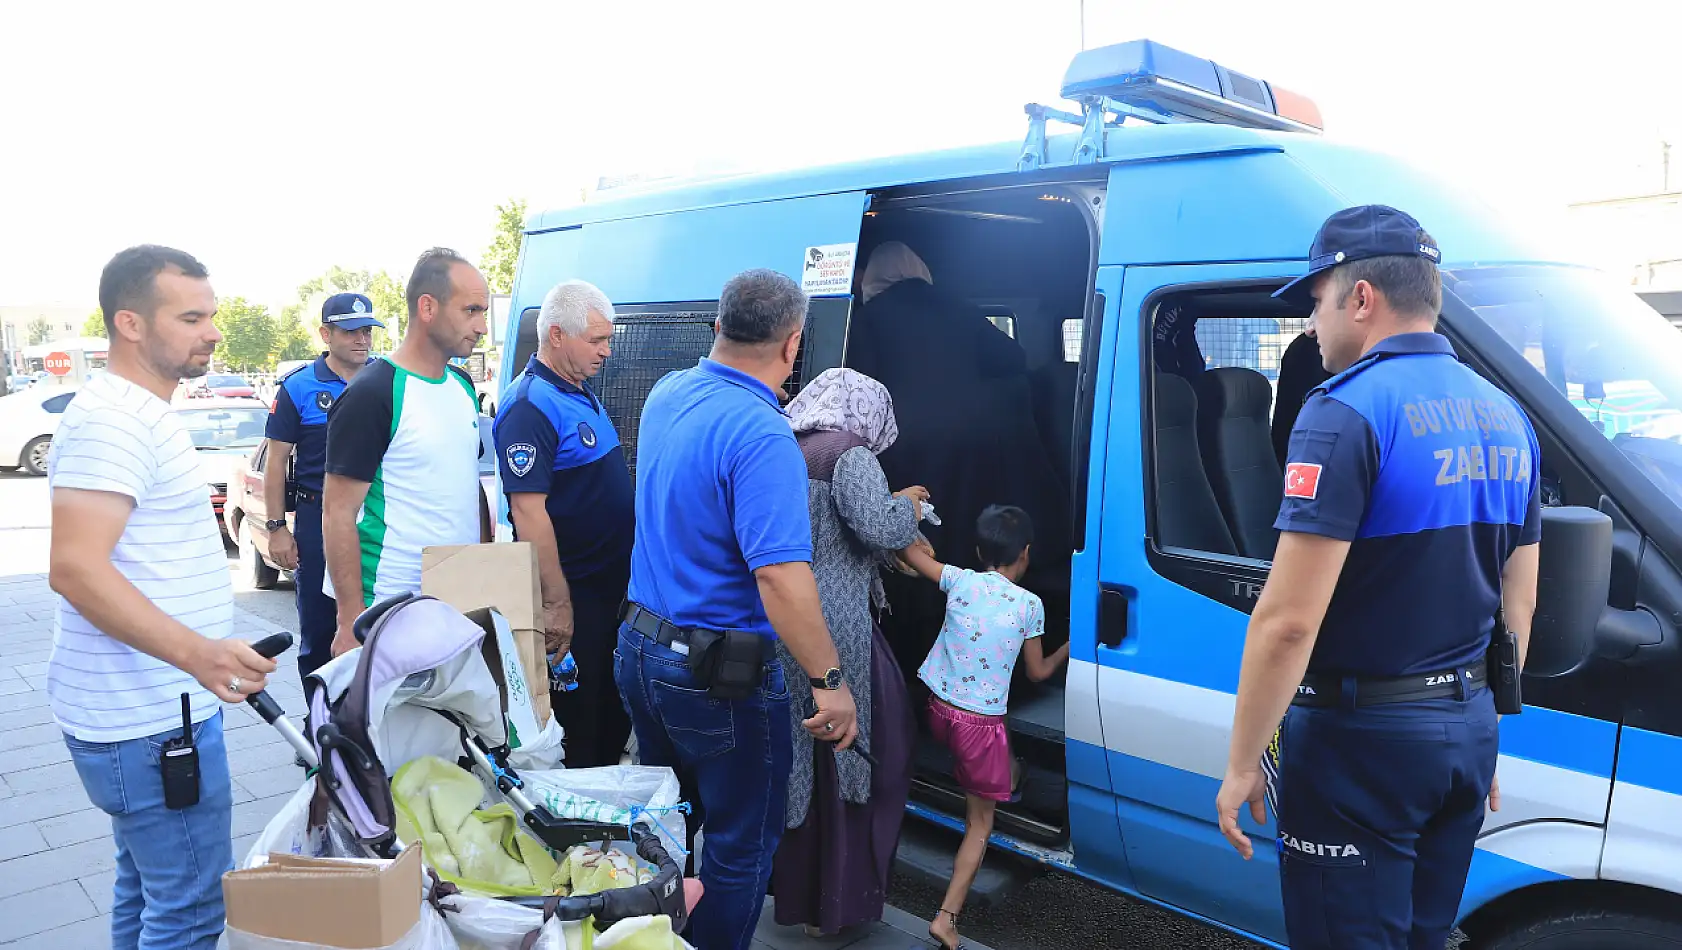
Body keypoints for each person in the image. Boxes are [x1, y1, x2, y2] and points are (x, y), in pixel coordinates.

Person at [1214, 205, 1541, 950]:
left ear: (1361, 298)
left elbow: (1287, 620)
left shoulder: (1343, 413)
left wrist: (1241, 761)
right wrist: (1479, 727)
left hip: (1361, 745)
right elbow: (1517, 600)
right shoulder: (1506, 415)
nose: (1310, 323)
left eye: (1315, 300)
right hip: (1466, 729)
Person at [617, 268, 859, 950]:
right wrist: (830, 684)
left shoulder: (668, 393)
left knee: (672, 824)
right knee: (738, 843)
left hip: (641, 651)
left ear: (719, 326)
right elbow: (781, 578)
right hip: (716, 675)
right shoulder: (763, 434)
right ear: (793, 345)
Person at [47, 245, 278, 950]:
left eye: (211, 315)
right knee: (190, 912)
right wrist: (200, 655)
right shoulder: (112, 422)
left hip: (152, 712)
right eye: (191, 317)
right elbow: (76, 570)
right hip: (148, 721)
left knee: (146, 892)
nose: (212, 332)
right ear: (132, 324)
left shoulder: (141, 412)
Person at [769, 368, 926, 936]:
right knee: (862, 749)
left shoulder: (788, 445)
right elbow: (878, 529)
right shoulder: (849, 454)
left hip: (790, 617)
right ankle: (835, 904)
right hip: (838, 628)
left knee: (803, 756)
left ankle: (799, 900)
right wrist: (907, 505)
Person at [897, 504, 1070, 950]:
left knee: (998, 761)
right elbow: (1037, 673)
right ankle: (946, 918)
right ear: (1026, 554)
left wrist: (910, 522)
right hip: (980, 727)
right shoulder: (1031, 605)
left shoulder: (960, 578)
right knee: (980, 824)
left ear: (979, 550)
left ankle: (1010, 772)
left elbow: (909, 551)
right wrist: (1070, 645)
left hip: (936, 712)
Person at [494, 279, 633, 768]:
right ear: (556, 334)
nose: (606, 351)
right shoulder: (530, 405)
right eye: (596, 340)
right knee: (580, 725)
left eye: (607, 339)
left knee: (610, 716)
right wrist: (557, 605)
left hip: (609, 591)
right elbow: (529, 512)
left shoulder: (578, 391)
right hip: (575, 596)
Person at [324, 248, 490, 655]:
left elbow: (466, 488)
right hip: (387, 610)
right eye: (471, 310)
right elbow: (337, 512)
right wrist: (349, 621)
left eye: (483, 311)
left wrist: (486, 575)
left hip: (455, 607)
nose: (482, 326)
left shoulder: (463, 386)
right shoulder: (374, 392)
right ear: (428, 307)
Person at [262, 292, 383, 679]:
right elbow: (276, 462)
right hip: (317, 517)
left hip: (375, 514)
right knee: (318, 623)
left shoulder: (385, 380)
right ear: (325, 335)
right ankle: (319, 722)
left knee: (379, 617)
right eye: (350, 332)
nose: (362, 339)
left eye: (366, 331)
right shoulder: (299, 387)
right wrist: (277, 528)